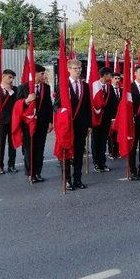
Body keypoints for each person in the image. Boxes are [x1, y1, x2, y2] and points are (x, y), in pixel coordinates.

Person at [57, 59, 91, 190]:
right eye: (75, 68)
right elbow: (56, 105)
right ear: (69, 69)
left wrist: (88, 125)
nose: (78, 70)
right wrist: (62, 114)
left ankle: (77, 179)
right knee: (65, 153)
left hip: (81, 125)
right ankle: (67, 180)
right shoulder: (63, 85)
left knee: (78, 153)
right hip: (67, 125)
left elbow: (88, 107)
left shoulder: (85, 86)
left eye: (80, 68)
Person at [18, 64, 53, 182]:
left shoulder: (46, 88)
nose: (44, 76)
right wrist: (26, 101)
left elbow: (49, 105)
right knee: (29, 148)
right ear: (34, 74)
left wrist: (50, 121)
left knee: (40, 148)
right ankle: (30, 173)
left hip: (42, 123)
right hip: (28, 123)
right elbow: (17, 105)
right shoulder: (23, 87)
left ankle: (38, 172)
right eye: (42, 73)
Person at [0, 69, 18, 174]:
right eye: (10, 77)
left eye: (13, 78)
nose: (11, 80)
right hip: (1, 121)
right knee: (0, 144)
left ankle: (11, 165)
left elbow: (17, 102)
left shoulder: (14, 89)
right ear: (3, 76)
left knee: (13, 144)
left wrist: (10, 91)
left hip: (13, 120)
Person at [91, 66, 116, 172]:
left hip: (106, 118)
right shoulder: (94, 86)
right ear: (105, 75)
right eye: (110, 75)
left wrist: (113, 117)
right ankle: (96, 163)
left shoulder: (109, 87)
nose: (111, 77)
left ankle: (102, 162)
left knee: (103, 141)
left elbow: (114, 103)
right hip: (96, 118)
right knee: (95, 141)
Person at [107, 72, 122, 159]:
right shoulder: (108, 89)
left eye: (118, 79)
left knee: (118, 135)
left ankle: (117, 152)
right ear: (111, 79)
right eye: (115, 79)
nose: (117, 80)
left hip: (119, 116)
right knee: (111, 135)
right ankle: (111, 152)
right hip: (111, 116)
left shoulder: (121, 90)